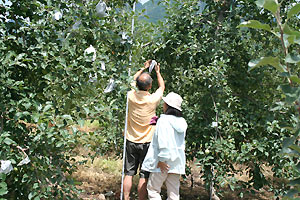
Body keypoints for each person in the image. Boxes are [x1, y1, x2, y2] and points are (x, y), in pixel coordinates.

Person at [123, 60, 165, 200]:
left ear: (137, 85)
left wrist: (143, 68)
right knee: (144, 175)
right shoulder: (152, 100)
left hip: (130, 139)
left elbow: (131, 81)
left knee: (128, 173)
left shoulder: (130, 96)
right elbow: (162, 87)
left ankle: (126, 198)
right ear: (150, 86)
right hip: (147, 142)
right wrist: (157, 72)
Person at [141, 92, 188, 200]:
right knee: (174, 194)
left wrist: (162, 160)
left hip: (163, 161)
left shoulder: (163, 121)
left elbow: (163, 141)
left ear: (167, 106)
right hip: (177, 162)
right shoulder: (182, 122)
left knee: (153, 190)